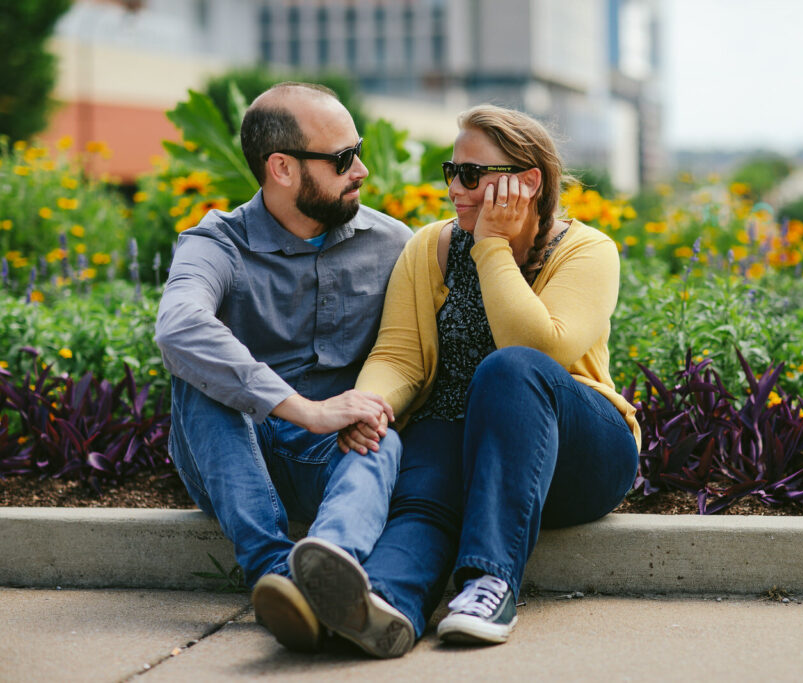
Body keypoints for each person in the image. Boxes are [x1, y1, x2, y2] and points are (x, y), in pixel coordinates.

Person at [286, 104, 641, 657]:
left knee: (508, 369)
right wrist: (369, 406)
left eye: (472, 175)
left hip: (580, 455)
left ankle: (491, 585)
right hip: (459, 441)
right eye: (453, 172)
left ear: (527, 183)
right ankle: (378, 606)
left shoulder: (588, 251)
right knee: (425, 470)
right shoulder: (430, 247)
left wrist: (493, 246)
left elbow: (540, 347)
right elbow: (400, 357)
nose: (456, 188)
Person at [154, 82, 412, 654]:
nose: (363, 170)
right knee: (202, 379)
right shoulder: (215, 242)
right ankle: (277, 571)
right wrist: (306, 410)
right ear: (282, 169)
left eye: (359, 150)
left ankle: (321, 573)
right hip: (237, 454)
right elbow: (177, 327)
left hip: (332, 460)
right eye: (344, 158)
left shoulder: (394, 243)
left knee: (381, 438)